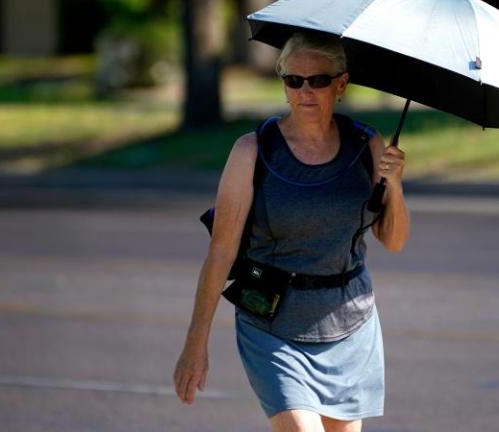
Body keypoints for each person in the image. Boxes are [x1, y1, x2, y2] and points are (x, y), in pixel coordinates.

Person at [173, 30, 411, 432]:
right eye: (293, 80)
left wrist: (397, 185)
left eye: (317, 80)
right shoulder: (253, 150)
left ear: (341, 84)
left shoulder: (367, 145)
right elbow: (221, 251)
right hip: (273, 322)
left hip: (350, 323)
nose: (304, 90)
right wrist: (196, 344)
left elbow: (393, 239)